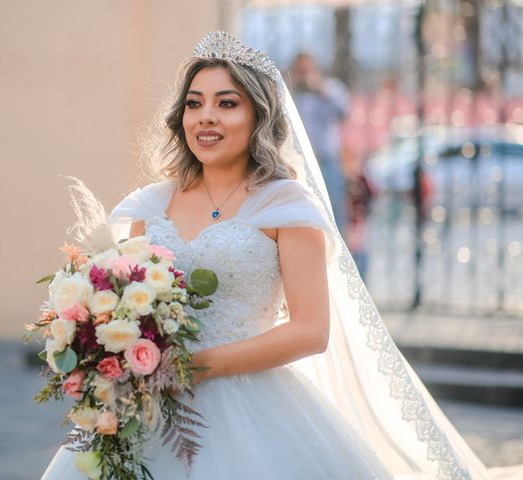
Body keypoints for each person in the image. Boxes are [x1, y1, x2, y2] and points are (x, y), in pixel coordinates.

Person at [42, 32, 492, 479]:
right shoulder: (152, 204)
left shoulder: (285, 205)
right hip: (149, 404)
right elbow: (125, 290)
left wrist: (195, 367)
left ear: (259, 115)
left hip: (249, 405)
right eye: (194, 104)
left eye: (227, 103)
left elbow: (310, 330)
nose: (206, 118)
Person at [289, 52, 349, 233]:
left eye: (307, 70)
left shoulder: (329, 88)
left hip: (327, 160)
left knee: (334, 209)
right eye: (300, 71)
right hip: (299, 163)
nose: (304, 75)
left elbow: (344, 110)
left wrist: (319, 88)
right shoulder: (293, 94)